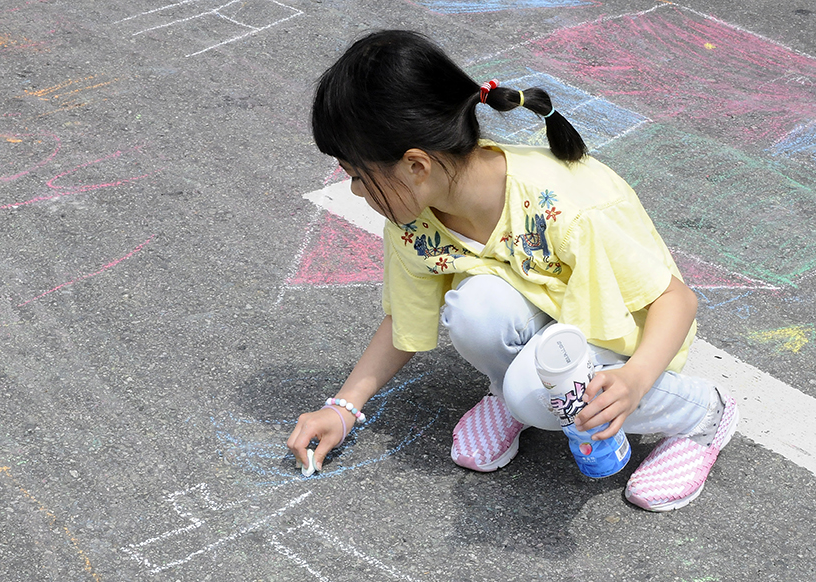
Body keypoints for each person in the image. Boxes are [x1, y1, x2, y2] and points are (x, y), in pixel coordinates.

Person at [286, 29, 738, 511]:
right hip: (557, 326)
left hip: (632, 340)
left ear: (416, 164)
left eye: (359, 175)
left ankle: (702, 416)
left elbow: (676, 300)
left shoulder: (564, 208)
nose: (356, 191)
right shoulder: (414, 220)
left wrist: (637, 379)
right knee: (474, 311)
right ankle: (514, 393)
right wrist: (343, 409)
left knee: (532, 390)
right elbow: (404, 319)